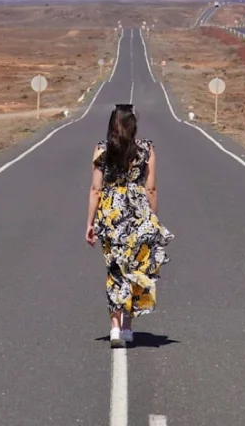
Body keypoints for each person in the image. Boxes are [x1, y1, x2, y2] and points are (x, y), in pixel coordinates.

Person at [85, 103, 173, 347]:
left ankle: (114, 328)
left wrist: (90, 223)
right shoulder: (146, 149)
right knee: (135, 268)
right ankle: (127, 328)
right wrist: (152, 220)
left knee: (114, 268)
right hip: (138, 213)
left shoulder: (101, 149)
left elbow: (95, 189)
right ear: (133, 125)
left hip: (110, 212)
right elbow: (151, 188)